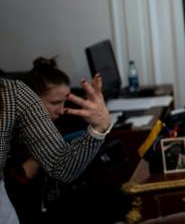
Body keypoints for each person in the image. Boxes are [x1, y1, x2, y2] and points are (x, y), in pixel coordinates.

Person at [0, 59, 111, 224]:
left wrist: (99, 128)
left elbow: (62, 167)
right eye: (55, 103)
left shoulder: (13, 94)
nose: (61, 109)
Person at [4, 57, 72, 222]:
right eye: (55, 103)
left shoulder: (58, 123)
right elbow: (13, 193)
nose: (62, 110)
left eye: (64, 102)